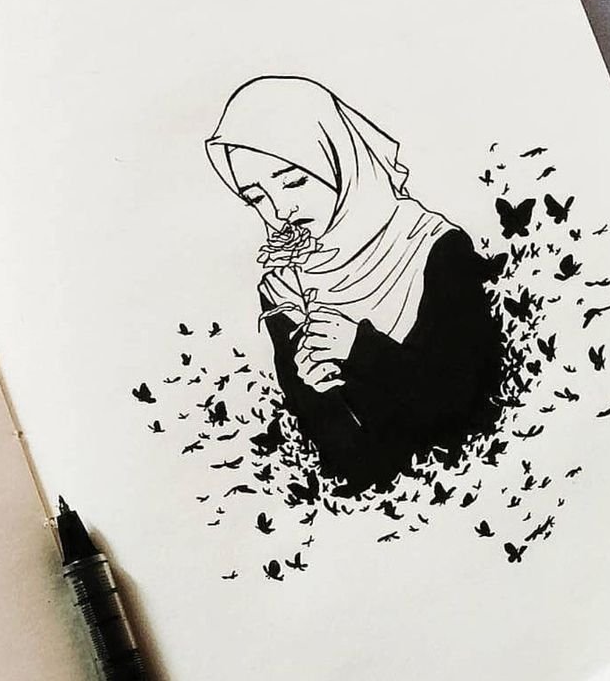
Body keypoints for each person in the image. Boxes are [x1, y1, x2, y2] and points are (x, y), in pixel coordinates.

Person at [205, 75, 503, 494]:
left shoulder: (433, 248)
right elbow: (346, 460)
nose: (278, 212)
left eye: (293, 181)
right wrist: (321, 394)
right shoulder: (284, 289)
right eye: (255, 197)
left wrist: (360, 350)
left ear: (341, 160)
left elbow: (469, 408)